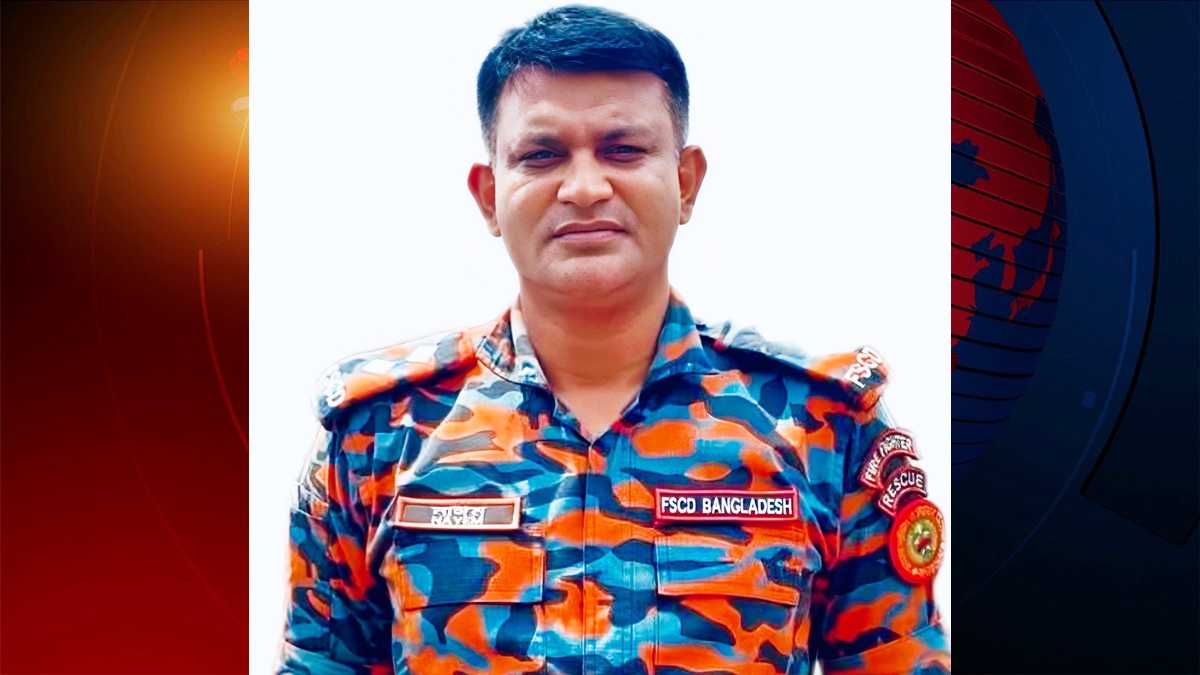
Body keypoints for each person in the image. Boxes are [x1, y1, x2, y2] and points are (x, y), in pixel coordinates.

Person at [278, 5, 949, 673]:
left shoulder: (822, 425)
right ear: (488, 196)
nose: (584, 187)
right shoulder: (377, 435)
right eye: (541, 156)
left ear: (685, 182)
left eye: (622, 150)